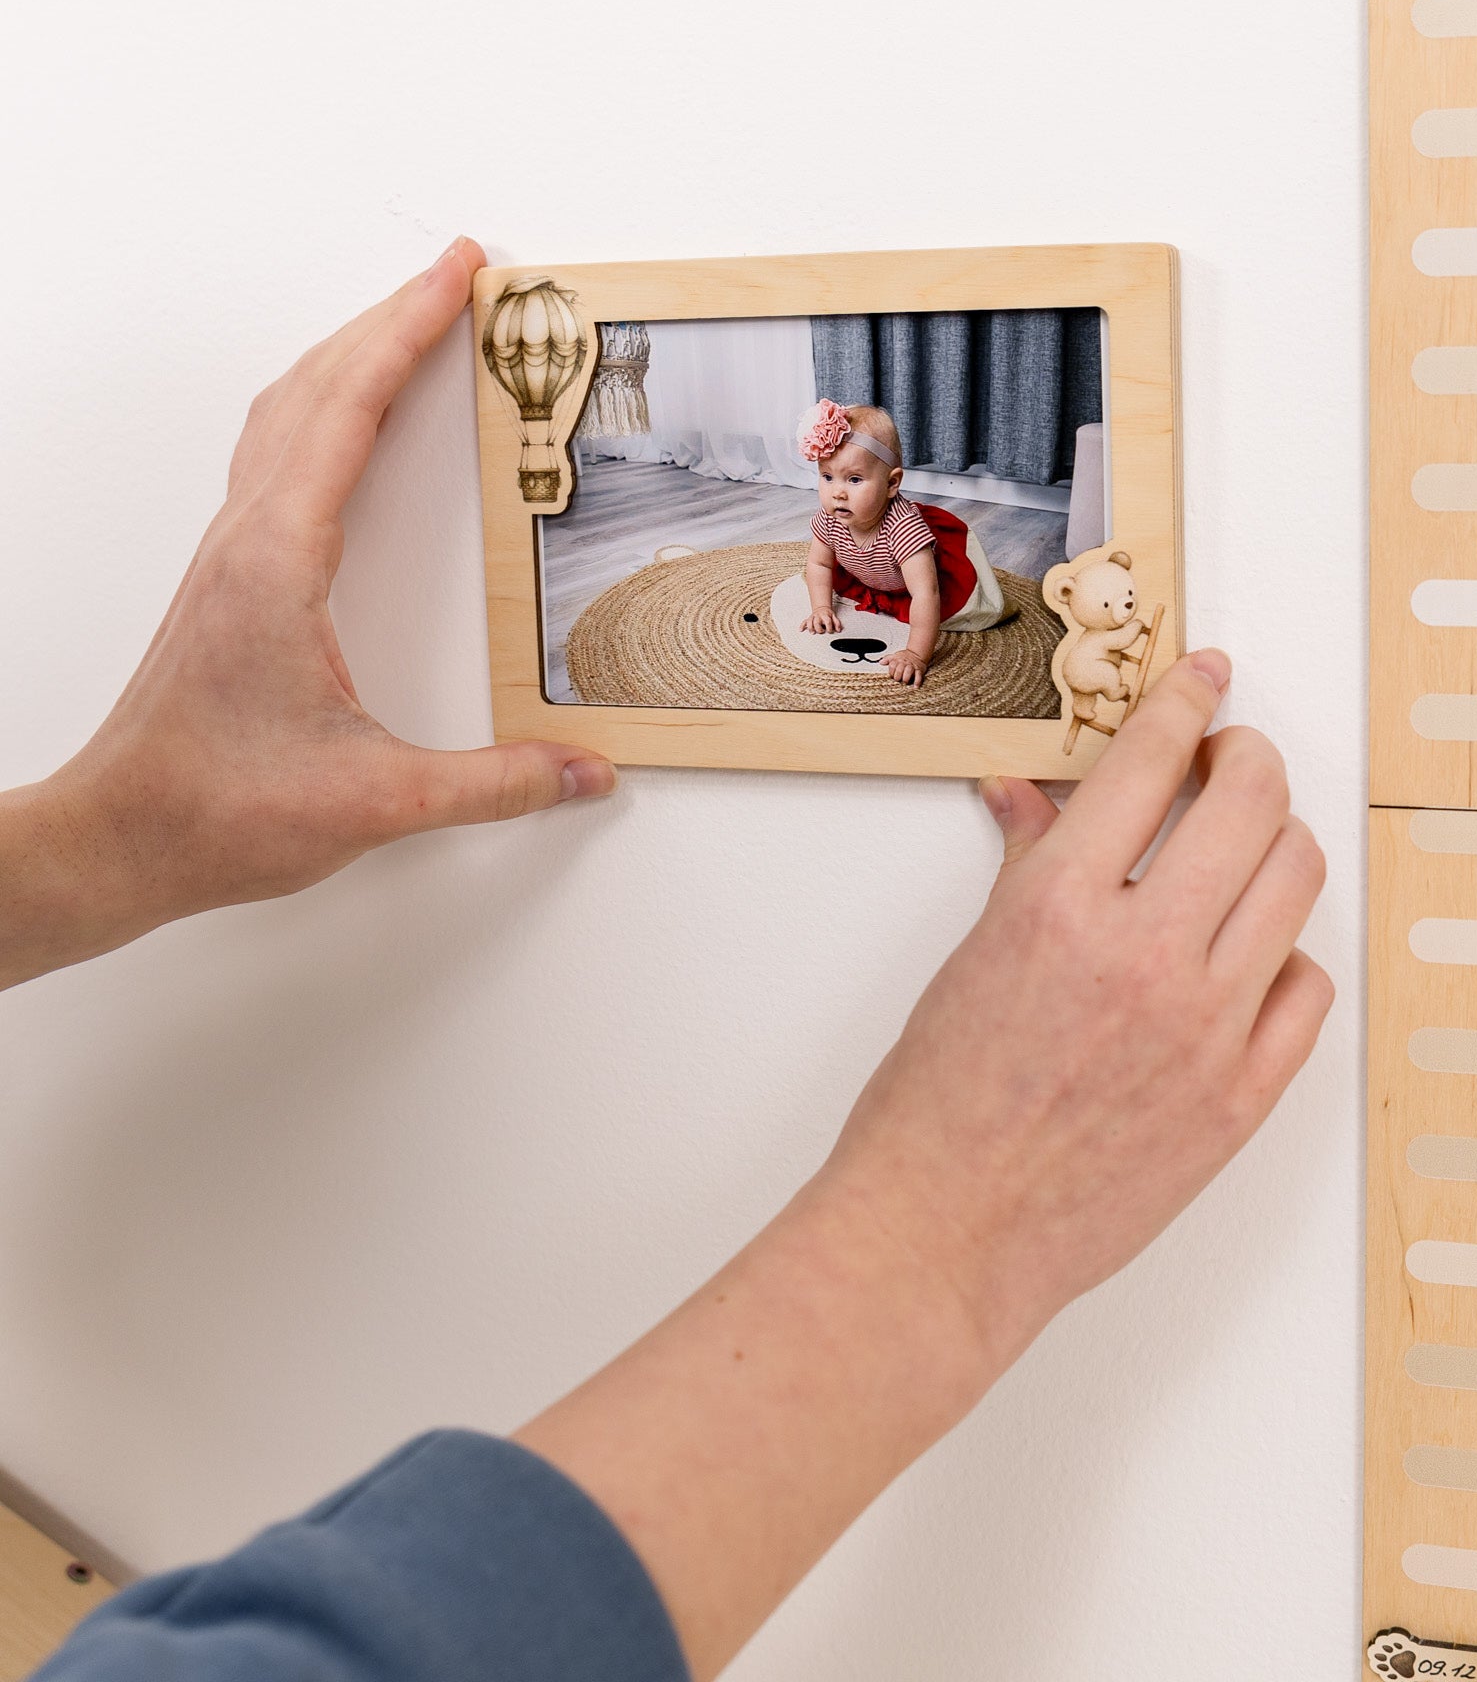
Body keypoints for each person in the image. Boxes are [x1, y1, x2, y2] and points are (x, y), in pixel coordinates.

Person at [0, 240, 1332, 1682]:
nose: (836, 503)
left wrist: (102, 839)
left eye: (855, 484)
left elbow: (931, 605)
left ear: (889, 485)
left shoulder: (916, 534)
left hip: (944, 600)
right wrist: (955, 1223)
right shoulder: (832, 532)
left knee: (980, 608)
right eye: (826, 486)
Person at [798, 398, 1005, 686]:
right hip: (871, 573)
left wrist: (917, 654)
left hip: (913, 584)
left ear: (892, 484)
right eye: (828, 477)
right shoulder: (831, 517)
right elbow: (819, 563)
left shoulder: (903, 528)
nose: (838, 493)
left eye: (854, 480)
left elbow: (925, 594)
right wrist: (821, 607)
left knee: (964, 610)